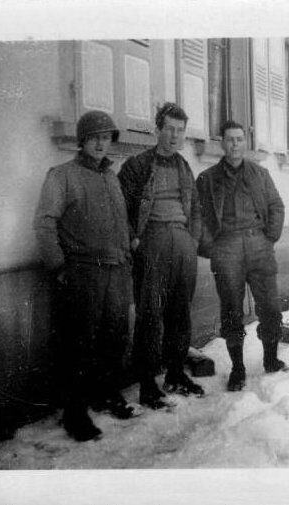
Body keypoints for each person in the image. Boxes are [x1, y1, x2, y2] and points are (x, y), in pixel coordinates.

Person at [34, 110, 139, 442]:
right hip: (82, 273)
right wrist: (59, 267)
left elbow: (118, 221)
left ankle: (105, 395)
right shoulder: (62, 175)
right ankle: (74, 413)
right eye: (94, 137)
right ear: (82, 141)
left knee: (115, 337)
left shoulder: (111, 176)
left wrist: (128, 247)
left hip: (116, 271)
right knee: (78, 344)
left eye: (106, 137)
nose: (100, 143)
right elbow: (45, 222)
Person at [118, 103, 204, 410]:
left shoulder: (183, 167)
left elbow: (194, 208)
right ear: (157, 130)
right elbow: (122, 209)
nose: (174, 136)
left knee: (180, 311)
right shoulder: (137, 165)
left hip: (182, 244)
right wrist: (135, 240)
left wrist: (192, 241)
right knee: (150, 315)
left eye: (180, 131)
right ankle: (147, 383)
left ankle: (176, 372)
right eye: (168, 129)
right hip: (152, 241)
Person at [196, 120, 289, 392]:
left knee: (270, 306)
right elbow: (197, 215)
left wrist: (269, 236)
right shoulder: (208, 179)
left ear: (245, 142)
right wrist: (210, 247)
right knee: (231, 310)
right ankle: (238, 369)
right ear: (221, 143)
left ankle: (271, 359)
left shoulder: (260, 174)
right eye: (229, 140)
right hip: (226, 248)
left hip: (258, 244)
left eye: (239, 139)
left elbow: (276, 206)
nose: (235, 144)